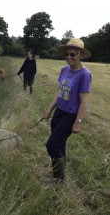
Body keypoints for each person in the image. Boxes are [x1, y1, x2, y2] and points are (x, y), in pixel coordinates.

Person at [43, 38, 92, 183]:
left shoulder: (84, 74)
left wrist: (78, 122)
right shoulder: (64, 70)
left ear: (80, 55)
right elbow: (60, 93)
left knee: (51, 145)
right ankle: (60, 177)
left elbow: (83, 102)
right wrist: (50, 109)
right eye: (67, 54)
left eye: (73, 54)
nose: (69, 57)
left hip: (70, 115)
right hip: (59, 112)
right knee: (59, 144)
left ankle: (58, 180)